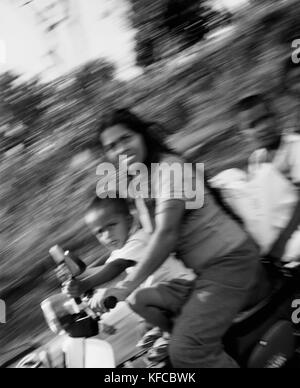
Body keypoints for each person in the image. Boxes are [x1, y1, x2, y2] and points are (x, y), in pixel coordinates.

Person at [94, 108, 267, 368]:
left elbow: (166, 234)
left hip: (230, 262)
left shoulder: (170, 169)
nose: (120, 150)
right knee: (141, 301)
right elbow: (136, 242)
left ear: (142, 136)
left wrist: (125, 284)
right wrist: (91, 283)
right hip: (204, 274)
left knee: (187, 350)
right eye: (111, 146)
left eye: (125, 139)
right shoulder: (142, 182)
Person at [66, 196, 194, 321]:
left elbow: (115, 267)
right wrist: (76, 276)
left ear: (128, 220)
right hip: (165, 292)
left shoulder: (137, 240)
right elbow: (101, 269)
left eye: (112, 225)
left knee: (135, 299)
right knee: (142, 322)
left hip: (180, 287)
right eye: (99, 232)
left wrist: (85, 284)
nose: (107, 235)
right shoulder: (121, 249)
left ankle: (170, 334)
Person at [236, 93, 300, 262]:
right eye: (252, 125)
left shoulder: (295, 146)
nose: (262, 127)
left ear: (277, 116)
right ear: (244, 134)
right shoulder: (256, 160)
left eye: (266, 118)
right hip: (278, 229)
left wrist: (281, 243)